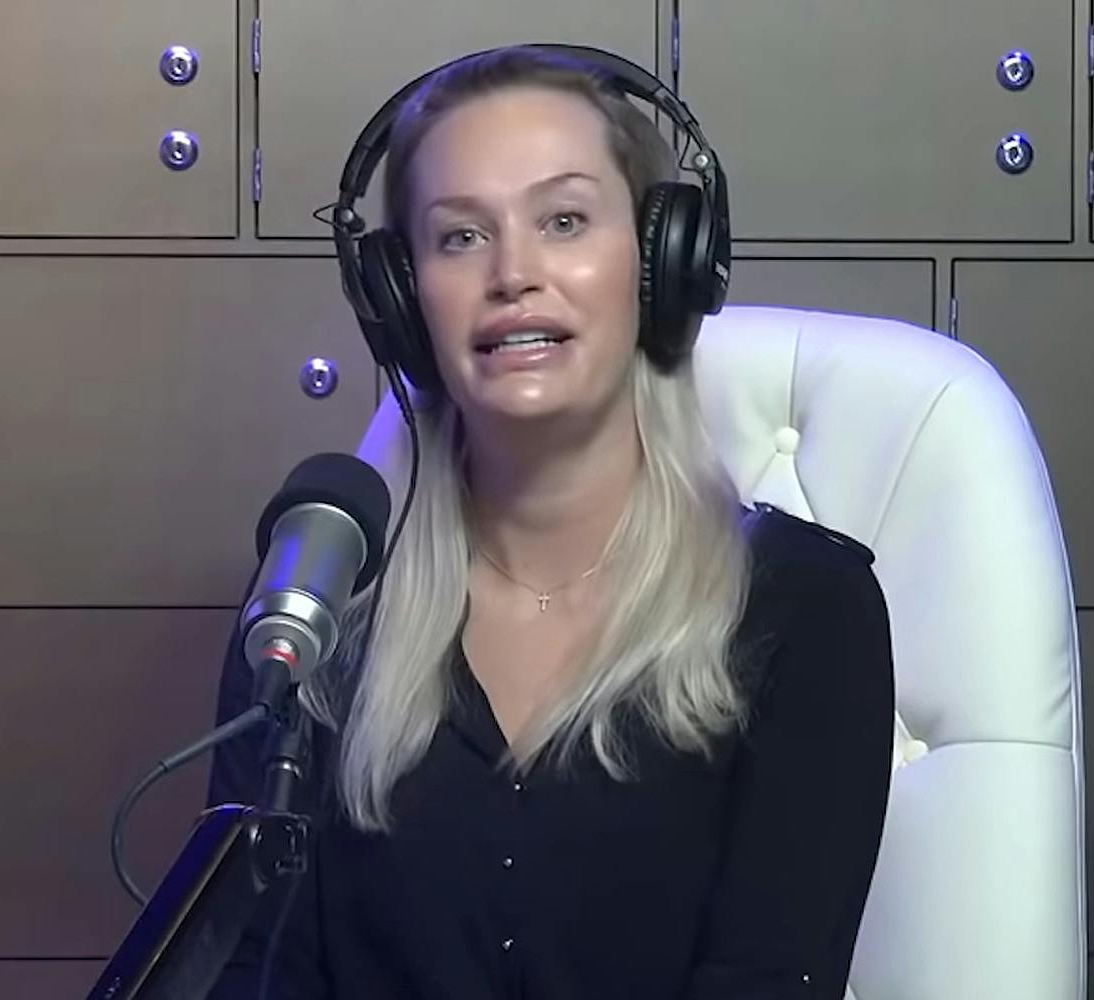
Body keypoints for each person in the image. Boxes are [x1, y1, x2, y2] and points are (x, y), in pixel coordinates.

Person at [204, 44, 895, 999]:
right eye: (458, 238)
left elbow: (767, 977)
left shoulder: (806, 608)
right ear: (402, 302)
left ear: (661, 265)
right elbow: (252, 971)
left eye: (564, 220)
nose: (513, 273)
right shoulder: (318, 600)